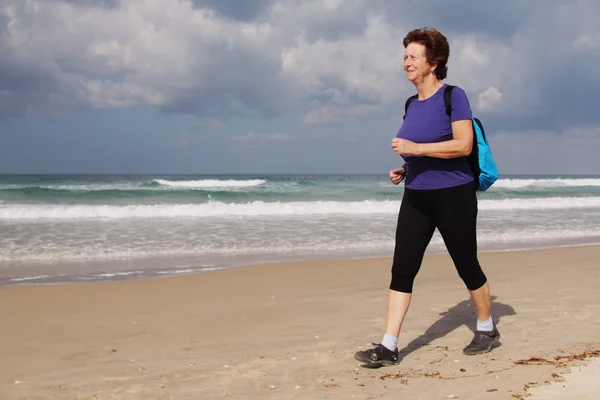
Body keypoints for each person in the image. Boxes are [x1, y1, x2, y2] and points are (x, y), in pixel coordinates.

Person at [354, 27, 500, 367]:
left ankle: (486, 328)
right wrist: (405, 167)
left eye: (413, 56)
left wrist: (416, 148)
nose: (406, 62)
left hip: (454, 195)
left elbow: (463, 145)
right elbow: (420, 149)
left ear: (433, 62)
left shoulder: (454, 96)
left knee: (466, 264)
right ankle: (389, 346)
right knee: (402, 269)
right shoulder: (410, 103)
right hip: (416, 196)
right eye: (404, 56)